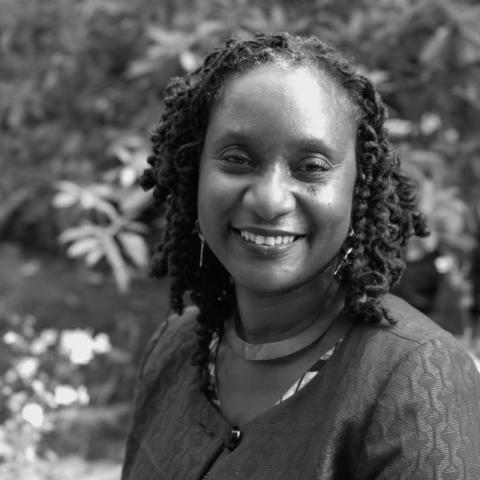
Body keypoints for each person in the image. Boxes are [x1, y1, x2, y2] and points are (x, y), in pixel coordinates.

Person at [121, 33, 480, 479]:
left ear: (357, 185)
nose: (270, 200)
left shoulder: (416, 379)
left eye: (311, 167)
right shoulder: (174, 348)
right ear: (195, 172)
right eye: (237, 158)